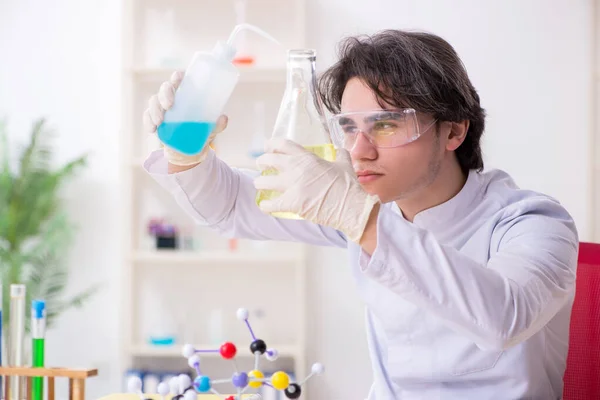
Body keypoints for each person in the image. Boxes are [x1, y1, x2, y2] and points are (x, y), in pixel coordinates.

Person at [142, 29, 579, 400]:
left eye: (386, 125)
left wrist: (360, 217)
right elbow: (234, 207)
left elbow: (505, 316)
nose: (359, 151)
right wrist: (185, 155)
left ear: (453, 130)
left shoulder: (533, 222)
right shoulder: (372, 207)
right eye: (349, 127)